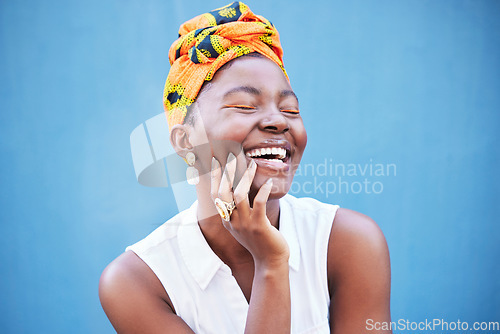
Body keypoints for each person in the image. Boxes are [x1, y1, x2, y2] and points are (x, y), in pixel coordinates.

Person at [99, 2, 391, 333]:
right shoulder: (137, 280)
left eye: (290, 109)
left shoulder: (348, 243)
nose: (278, 121)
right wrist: (270, 265)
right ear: (185, 141)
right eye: (244, 105)